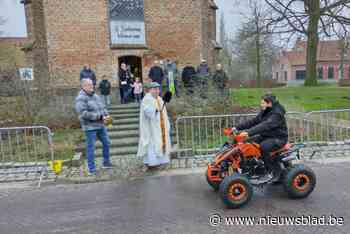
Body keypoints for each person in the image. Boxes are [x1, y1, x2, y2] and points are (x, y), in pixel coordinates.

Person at [233, 94, 288, 181]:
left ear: (269, 103)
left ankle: (270, 172)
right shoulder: (266, 110)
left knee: (264, 147)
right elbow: (254, 121)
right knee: (246, 143)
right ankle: (251, 165)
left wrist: (248, 132)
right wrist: (237, 127)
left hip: (278, 138)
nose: (261, 105)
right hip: (266, 136)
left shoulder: (277, 114)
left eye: (262, 103)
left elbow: (265, 125)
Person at [75, 79, 113, 175]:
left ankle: (106, 162)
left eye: (92, 84)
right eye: (89, 85)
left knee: (107, 142)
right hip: (90, 127)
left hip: (100, 125)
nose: (92, 86)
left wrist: (106, 115)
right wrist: (99, 117)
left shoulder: (95, 96)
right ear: (83, 86)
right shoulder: (80, 98)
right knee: (91, 147)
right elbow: (83, 113)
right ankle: (92, 169)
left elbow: (103, 107)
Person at [137, 82, 171, 170]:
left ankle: (162, 161)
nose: (157, 91)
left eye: (158, 89)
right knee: (152, 144)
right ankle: (151, 162)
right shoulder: (147, 99)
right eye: (155, 89)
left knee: (161, 142)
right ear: (150, 90)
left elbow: (164, 112)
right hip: (151, 128)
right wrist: (155, 110)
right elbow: (147, 111)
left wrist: (166, 124)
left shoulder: (159, 99)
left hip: (161, 126)